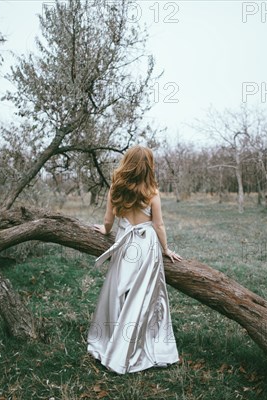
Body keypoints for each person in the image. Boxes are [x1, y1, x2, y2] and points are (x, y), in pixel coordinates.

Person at [88, 145, 182, 374]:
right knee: (144, 294)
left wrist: (104, 229)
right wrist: (166, 249)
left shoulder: (116, 189)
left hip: (124, 243)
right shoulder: (152, 192)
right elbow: (158, 224)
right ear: (148, 166)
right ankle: (136, 342)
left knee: (120, 289)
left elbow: (108, 221)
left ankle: (113, 338)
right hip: (146, 245)